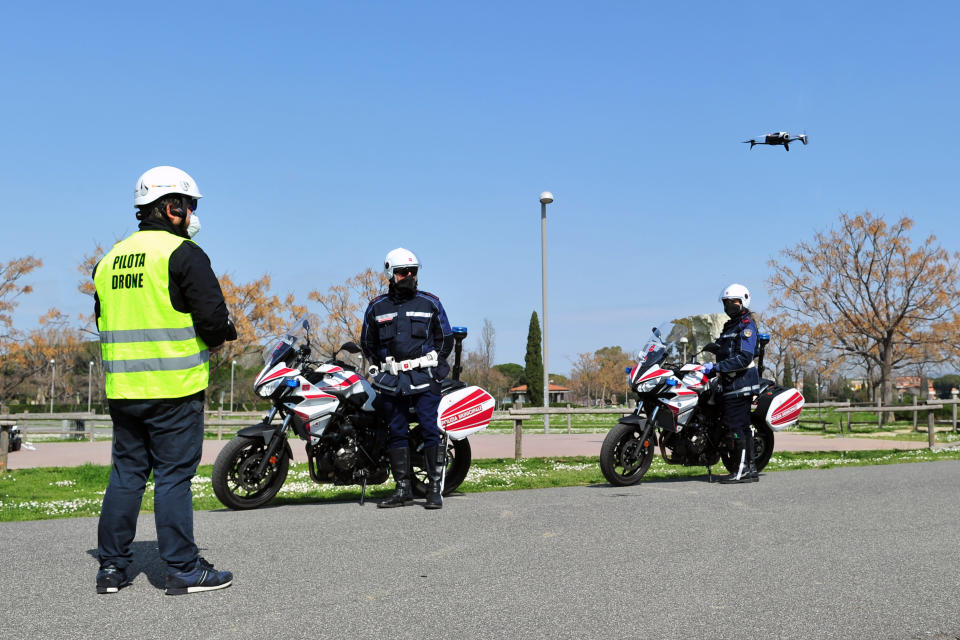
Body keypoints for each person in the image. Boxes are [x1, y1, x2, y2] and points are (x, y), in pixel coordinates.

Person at [93, 166, 237, 594]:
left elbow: (105, 320)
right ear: (171, 206)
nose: (192, 213)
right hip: (174, 389)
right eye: (189, 205)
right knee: (173, 477)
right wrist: (220, 335)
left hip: (124, 391)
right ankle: (182, 569)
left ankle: (112, 569)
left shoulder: (110, 260)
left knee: (126, 476)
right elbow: (212, 320)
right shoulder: (183, 254)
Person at [360, 248, 454, 509]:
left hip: (425, 378)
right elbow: (367, 342)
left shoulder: (431, 302)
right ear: (391, 273)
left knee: (429, 430)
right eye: (403, 272)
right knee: (397, 432)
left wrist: (434, 369)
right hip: (391, 382)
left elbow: (445, 339)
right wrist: (380, 366)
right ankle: (403, 489)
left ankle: (434, 489)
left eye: (413, 271)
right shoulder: (377, 307)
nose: (410, 276)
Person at [702, 283, 761, 484]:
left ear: (743, 301)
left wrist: (716, 367)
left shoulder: (747, 325)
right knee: (741, 427)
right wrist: (715, 350)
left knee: (735, 427)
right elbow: (725, 349)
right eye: (726, 302)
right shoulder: (730, 326)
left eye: (733, 302)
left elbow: (744, 357)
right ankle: (750, 469)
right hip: (730, 385)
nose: (729, 305)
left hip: (741, 384)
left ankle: (741, 470)